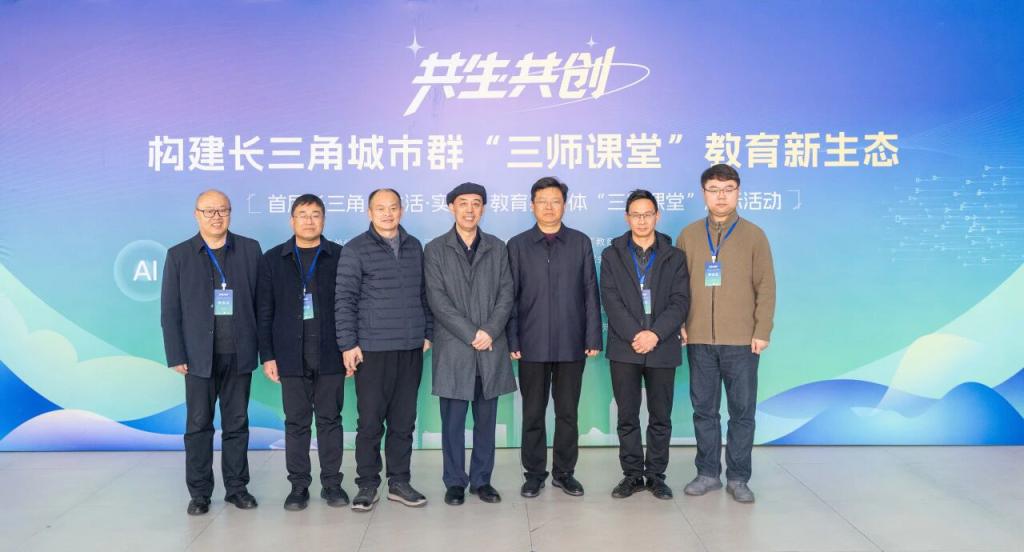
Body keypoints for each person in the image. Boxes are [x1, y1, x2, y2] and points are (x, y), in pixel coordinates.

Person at [677, 164, 776, 504]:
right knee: (704, 411)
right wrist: (681, 323)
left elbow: (766, 286)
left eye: (728, 189)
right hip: (699, 339)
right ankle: (707, 473)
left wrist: (762, 329)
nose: (721, 196)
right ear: (703, 193)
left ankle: (738, 477)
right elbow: (678, 287)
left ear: (738, 192)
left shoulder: (754, 235)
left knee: (742, 412)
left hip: (742, 341)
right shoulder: (689, 235)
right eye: (714, 189)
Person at [161, 189, 262, 515]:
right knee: (198, 425)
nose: (216, 217)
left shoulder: (249, 249)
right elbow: (170, 310)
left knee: (237, 424)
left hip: (239, 353)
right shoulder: (179, 255)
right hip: (197, 357)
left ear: (230, 213)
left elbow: (263, 303)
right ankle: (200, 493)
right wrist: (176, 354)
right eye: (209, 211)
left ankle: (237, 488)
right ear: (197, 214)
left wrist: (265, 351)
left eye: (222, 210)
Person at [335, 188, 432, 512]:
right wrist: (348, 344)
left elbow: (424, 294)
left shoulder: (414, 246)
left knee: (404, 420)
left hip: (410, 347)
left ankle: (400, 482)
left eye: (393, 208)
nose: (387, 214)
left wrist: (427, 332)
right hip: (372, 349)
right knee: (370, 421)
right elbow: (344, 299)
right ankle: (367, 484)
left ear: (401, 211)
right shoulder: (355, 249)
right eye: (380, 208)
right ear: (370, 212)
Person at [506, 176, 601, 498]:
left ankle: (564, 473)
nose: (549, 207)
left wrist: (592, 337)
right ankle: (534, 474)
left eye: (555, 201)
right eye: (542, 201)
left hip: (571, 342)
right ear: (532, 205)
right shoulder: (518, 245)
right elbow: (510, 297)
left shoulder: (579, 242)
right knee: (532, 413)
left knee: (568, 413)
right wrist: (513, 339)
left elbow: (590, 292)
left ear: (565, 205)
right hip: (531, 344)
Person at [424, 182, 516, 506]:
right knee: (452, 423)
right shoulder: (435, 249)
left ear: (483, 209)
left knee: (486, 422)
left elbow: (506, 293)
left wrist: (489, 330)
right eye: (463, 203)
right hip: (454, 349)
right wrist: (471, 333)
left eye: (476, 203)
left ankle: (481, 480)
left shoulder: (497, 247)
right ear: (451, 207)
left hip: (489, 348)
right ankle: (454, 482)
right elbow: (437, 299)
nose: (469, 209)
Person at [257, 194, 347, 511]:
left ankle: (332, 484)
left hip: (332, 354)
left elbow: (350, 306)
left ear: (324, 219)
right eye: (303, 214)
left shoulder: (339, 256)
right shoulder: (273, 259)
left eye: (316, 214)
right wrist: (268, 356)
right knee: (296, 423)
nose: (309, 220)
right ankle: (298, 486)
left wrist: (349, 348)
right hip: (289, 356)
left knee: (330, 421)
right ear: (292, 220)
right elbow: (264, 311)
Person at [600, 189, 690, 500]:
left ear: (657, 216)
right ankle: (631, 475)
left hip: (662, 346)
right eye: (636, 215)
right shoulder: (612, 255)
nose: (642, 220)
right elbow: (610, 299)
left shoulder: (675, 256)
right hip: (625, 347)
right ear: (627, 218)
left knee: (660, 417)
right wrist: (636, 334)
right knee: (627, 416)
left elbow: (680, 301)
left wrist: (655, 334)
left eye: (647, 214)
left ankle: (655, 476)